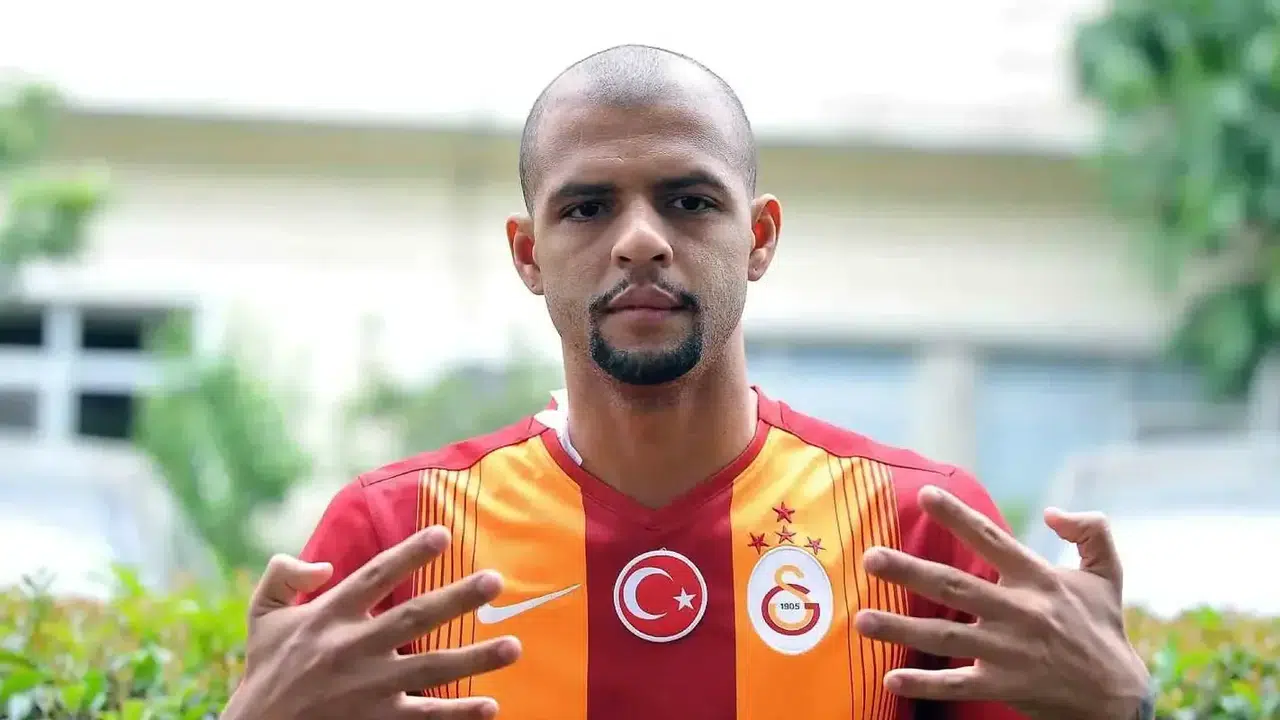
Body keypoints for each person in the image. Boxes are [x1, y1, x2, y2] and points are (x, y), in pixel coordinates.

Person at [220, 45, 1154, 720]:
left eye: (690, 201)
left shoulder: (915, 530)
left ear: (759, 237)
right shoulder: (396, 537)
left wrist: (1124, 707)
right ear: (528, 253)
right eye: (587, 207)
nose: (640, 239)